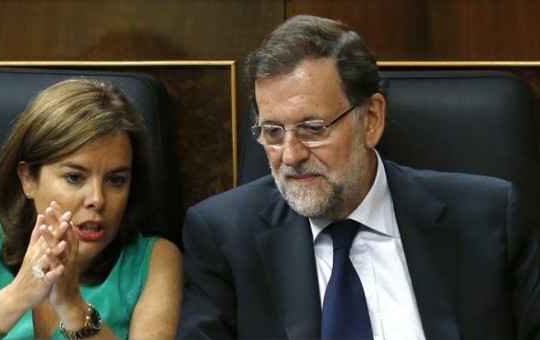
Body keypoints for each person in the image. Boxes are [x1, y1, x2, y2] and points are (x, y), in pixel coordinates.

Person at [177, 15, 540, 339]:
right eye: (273, 131)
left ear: (370, 120)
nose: (290, 155)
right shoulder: (223, 236)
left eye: (312, 128)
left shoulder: (489, 219)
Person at [0, 78, 182, 339]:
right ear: (28, 179)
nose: (97, 199)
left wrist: (72, 305)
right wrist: (15, 298)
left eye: (116, 180)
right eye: (75, 177)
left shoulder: (154, 261)